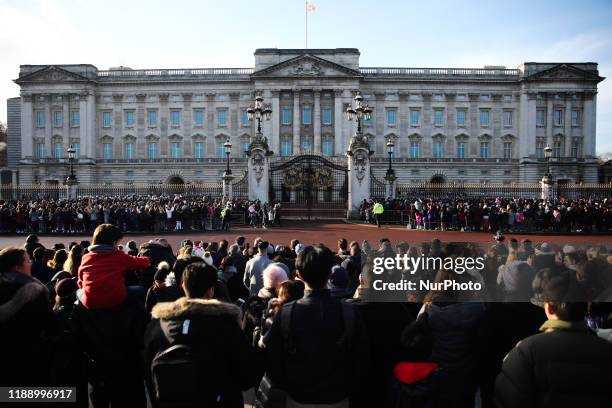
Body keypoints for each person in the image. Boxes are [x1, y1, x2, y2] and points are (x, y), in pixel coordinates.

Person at [265, 244, 369, 408]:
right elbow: (362, 358)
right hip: (338, 397)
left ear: (298, 274)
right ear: (329, 274)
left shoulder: (286, 313)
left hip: (298, 397)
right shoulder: (349, 312)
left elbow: (272, 362)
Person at [495, 268, 612, 407]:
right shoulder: (607, 349)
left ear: (549, 308)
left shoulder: (525, 352)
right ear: (587, 306)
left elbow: (509, 399)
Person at [144, 262, 256, 408]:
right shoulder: (226, 325)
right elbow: (246, 377)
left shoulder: (157, 325)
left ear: (183, 286)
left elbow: (149, 375)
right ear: (211, 290)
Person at [0, 247, 56, 386]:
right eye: (27, 261)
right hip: (29, 358)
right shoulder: (35, 291)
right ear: (17, 267)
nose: (30, 263)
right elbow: (51, 325)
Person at [77, 224, 151, 309]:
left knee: (78, 292)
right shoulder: (119, 256)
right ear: (114, 242)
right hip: (115, 299)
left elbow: (80, 282)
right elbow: (143, 262)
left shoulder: (85, 257)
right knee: (141, 289)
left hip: (90, 301)